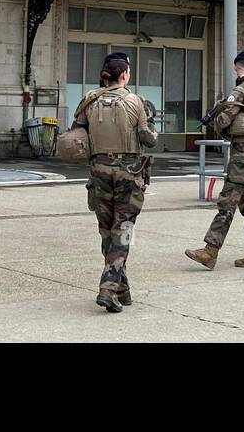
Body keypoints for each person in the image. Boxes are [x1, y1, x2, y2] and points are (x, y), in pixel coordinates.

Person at [72, 52, 157, 312]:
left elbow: (76, 134)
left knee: (108, 230)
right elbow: (147, 138)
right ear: (124, 75)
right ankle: (108, 289)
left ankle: (123, 289)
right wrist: (153, 132)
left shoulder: (89, 100)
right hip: (128, 172)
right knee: (123, 229)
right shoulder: (135, 101)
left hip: (98, 171)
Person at [185, 52, 244, 269]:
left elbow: (224, 120)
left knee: (228, 200)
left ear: (236, 68)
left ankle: (210, 250)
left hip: (242, 151)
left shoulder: (240, 90)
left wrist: (215, 119)